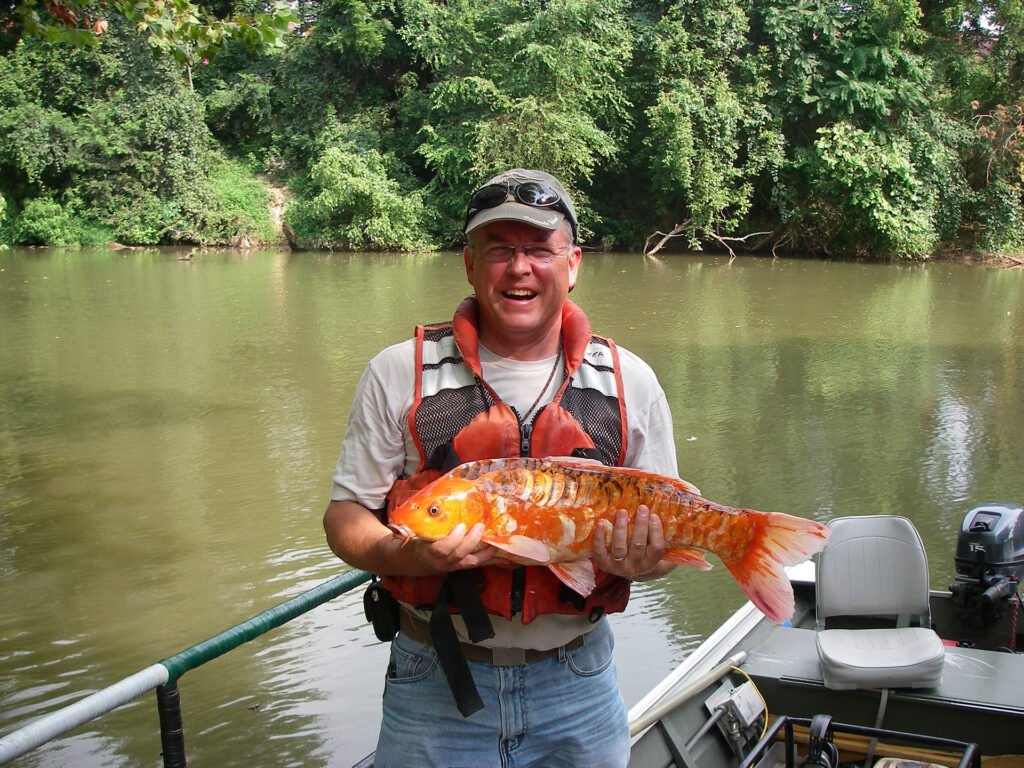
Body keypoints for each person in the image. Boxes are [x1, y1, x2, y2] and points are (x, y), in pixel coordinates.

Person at [323, 168, 681, 767]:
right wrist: (406, 555)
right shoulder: (398, 372)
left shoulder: (629, 381)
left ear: (572, 263)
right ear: (469, 264)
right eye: (499, 250)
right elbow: (345, 517)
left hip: (579, 682)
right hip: (436, 679)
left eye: (540, 249)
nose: (520, 268)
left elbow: (668, 542)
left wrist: (649, 561)